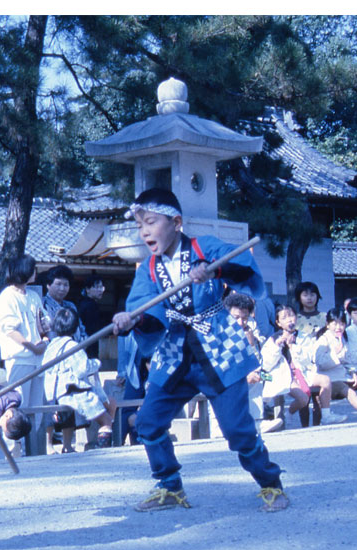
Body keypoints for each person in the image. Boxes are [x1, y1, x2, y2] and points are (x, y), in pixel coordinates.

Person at [110, 188, 289, 513]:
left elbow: (241, 263)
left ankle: (270, 483)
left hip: (218, 347)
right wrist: (130, 319)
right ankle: (170, 486)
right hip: (176, 352)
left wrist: (213, 269)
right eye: (140, 226)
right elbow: (143, 307)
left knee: (237, 430)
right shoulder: (149, 268)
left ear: (176, 222)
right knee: (148, 422)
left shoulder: (202, 246)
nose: (145, 231)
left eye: (150, 222)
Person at [0, 254, 50, 456]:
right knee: (18, 405)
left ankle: (32, 448)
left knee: (36, 407)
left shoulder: (33, 296)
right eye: (33, 269)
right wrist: (32, 347)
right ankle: (14, 449)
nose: (36, 273)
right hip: (19, 358)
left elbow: (43, 322)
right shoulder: (7, 297)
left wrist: (44, 339)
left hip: (37, 359)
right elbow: (10, 330)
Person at [42, 307, 117, 453]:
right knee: (106, 420)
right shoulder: (72, 345)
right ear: (75, 327)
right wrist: (96, 363)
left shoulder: (51, 346)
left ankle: (68, 446)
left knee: (108, 404)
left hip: (54, 393)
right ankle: (104, 452)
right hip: (75, 393)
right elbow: (82, 369)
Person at [223, 292, 284, 434]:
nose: (240, 322)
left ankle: (258, 420)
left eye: (245, 318)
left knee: (265, 376)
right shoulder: (222, 333)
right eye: (236, 318)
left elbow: (257, 362)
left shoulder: (249, 332)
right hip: (224, 376)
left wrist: (251, 344)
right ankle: (250, 423)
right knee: (251, 380)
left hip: (247, 373)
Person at [313, 309, 357, 412]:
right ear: (328, 325)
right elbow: (320, 363)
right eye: (335, 324)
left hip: (343, 376)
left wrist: (352, 372)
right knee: (351, 393)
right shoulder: (323, 339)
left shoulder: (342, 338)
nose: (338, 327)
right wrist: (335, 354)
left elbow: (347, 361)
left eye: (342, 324)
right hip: (331, 378)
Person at [41, 264, 87, 343]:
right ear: (48, 285)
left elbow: (81, 329)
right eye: (58, 284)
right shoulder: (42, 304)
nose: (62, 288)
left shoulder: (71, 306)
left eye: (66, 285)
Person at [75, 275, 107, 357]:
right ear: (87, 289)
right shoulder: (90, 305)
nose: (100, 290)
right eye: (97, 287)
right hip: (89, 342)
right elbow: (92, 328)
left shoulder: (83, 303)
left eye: (101, 287)